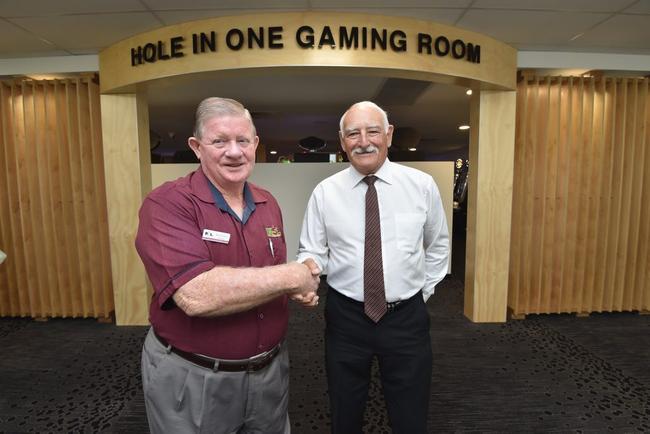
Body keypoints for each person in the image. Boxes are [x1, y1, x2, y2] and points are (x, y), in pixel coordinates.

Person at [135, 97, 319, 434]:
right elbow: (195, 295)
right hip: (195, 377)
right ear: (196, 147)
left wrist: (294, 289)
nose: (234, 152)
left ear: (255, 144)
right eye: (219, 141)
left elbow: (264, 276)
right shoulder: (168, 203)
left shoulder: (267, 203)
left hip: (270, 373)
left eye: (243, 140)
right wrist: (293, 275)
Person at [297, 101, 450, 434]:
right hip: (346, 318)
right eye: (353, 133)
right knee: (345, 410)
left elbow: (438, 247)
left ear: (389, 135)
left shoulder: (421, 186)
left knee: (410, 413)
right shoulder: (325, 193)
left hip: (406, 318)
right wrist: (305, 271)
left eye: (372, 131)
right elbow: (311, 248)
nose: (363, 141)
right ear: (342, 141)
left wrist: (418, 295)